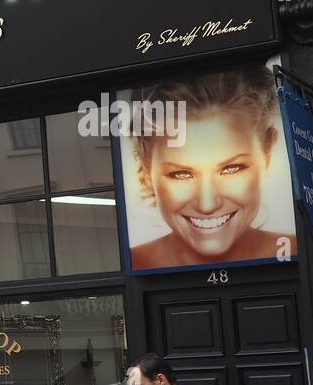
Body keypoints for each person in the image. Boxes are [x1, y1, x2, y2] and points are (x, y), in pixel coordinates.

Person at [127, 69, 296, 271]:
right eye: (181, 174)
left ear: (267, 153)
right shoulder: (134, 262)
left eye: (232, 168)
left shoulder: (298, 251)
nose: (207, 205)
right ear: (147, 172)